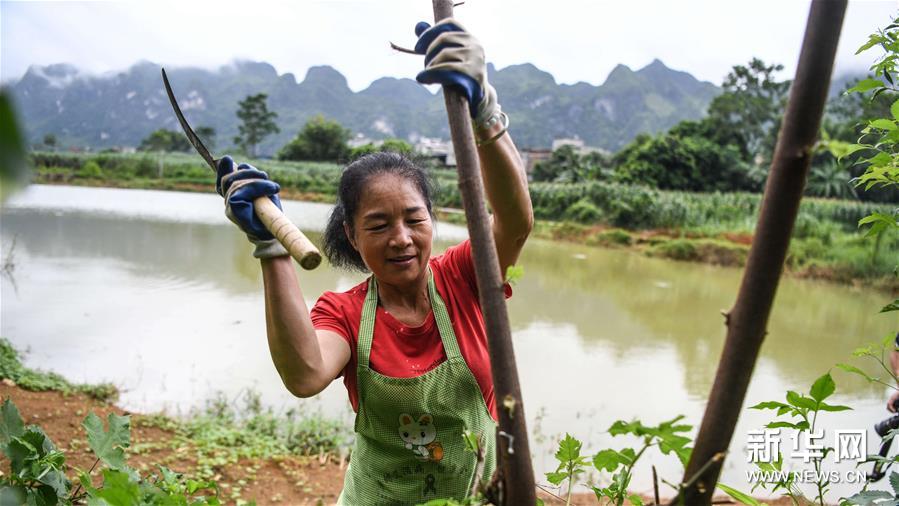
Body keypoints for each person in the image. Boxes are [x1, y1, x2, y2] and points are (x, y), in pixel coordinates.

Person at [215, 19, 533, 504]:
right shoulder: (344, 314)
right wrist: (271, 248)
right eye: (379, 225)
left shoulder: (463, 278)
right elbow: (305, 375)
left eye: (413, 219)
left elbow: (513, 221)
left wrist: (484, 109)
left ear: (431, 220)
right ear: (353, 236)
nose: (401, 239)